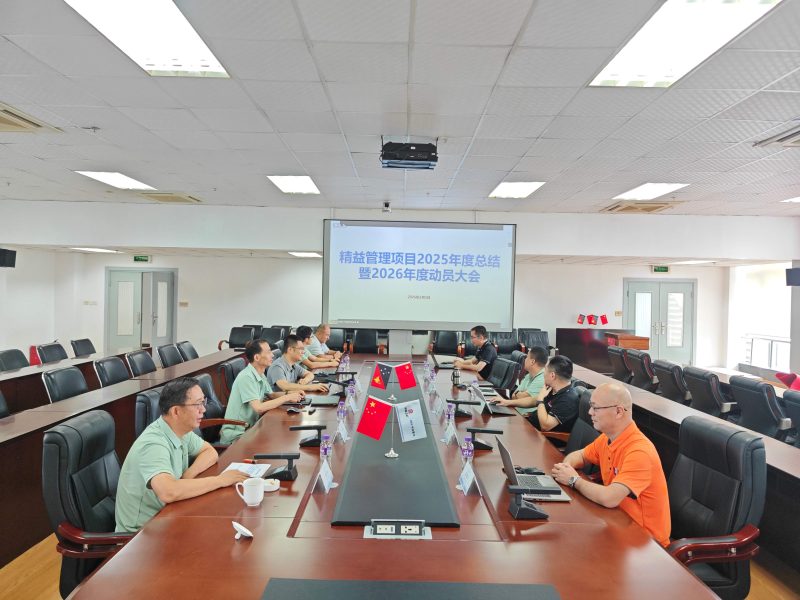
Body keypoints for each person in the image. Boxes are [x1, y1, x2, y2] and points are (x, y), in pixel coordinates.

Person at [115, 377, 249, 533]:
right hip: (141, 533)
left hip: (169, 515)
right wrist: (220, 480)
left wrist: (188, 475)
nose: (203, 410)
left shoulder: (180, 430)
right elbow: (168, 491)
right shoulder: (153, 444)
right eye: (197, 404)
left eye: (203, 402)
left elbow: (210, 452)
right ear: (176, 411)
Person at [551, 382, 671, 547]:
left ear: (619, 411)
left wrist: (573, 480)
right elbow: (579, 455)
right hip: (616, 521)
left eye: (595, 407)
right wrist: (566, 468)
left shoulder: (640, 451)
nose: (590, 412)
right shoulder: (607, 438)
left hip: (646, 543)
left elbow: (610, 498)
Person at [219, 339, 306, 445]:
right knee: (278, 441)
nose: (272, 355)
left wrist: (290, 394)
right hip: (237, 435)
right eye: (268, 352)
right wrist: (286, 397)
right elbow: (259, 408)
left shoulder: (259, 373)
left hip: (252, 429)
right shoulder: (246, 377)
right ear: (257, 357)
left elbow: (271, 395)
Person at [526, 355, 579, 436]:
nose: (543, 373)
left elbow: (545, 426)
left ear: (552, 375)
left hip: (542, 438)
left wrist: (540, 400)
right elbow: (534, 400)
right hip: (531, 429)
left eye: (545, 370)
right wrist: (509, 402)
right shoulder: (553, 389)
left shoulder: (568, 400)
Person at [497, 346, 548, 413]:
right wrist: (519, 394)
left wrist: (518, 394)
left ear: (532, 362)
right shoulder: (529, 375)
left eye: (527, 357)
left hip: (526, 416)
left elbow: (524, 397)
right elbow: (514, 395)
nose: (525, 360)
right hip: (516, 411)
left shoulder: (542, 378)